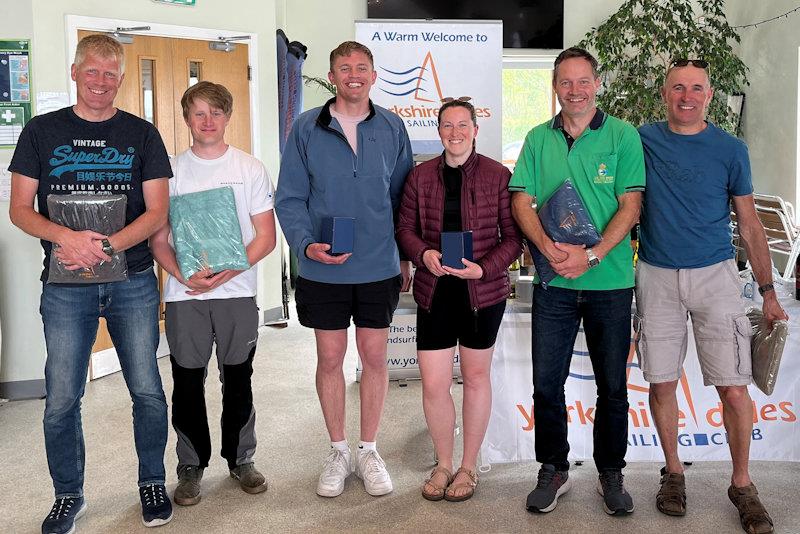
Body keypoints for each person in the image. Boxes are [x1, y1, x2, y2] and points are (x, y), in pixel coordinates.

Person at [8, 34, 173, 532]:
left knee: (146, 388)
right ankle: (67, 495)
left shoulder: (142, 135)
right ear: (75, 72)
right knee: (61, 396)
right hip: (64, 286)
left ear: (120, 80)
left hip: (134, 280)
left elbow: (158, 211)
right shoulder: (40, 131)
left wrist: (104, 246)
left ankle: (151, 481)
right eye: (92, 71)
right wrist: (66, 238)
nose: (101, 82)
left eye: (110, 74)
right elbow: (19, 209)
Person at [637, 59, 788, 534]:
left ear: (709, 93)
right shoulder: (640, 140)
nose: (686, 96)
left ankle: (742, 484)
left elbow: (749, 224)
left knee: (734, 387)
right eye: (677, 88)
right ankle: (673, 473)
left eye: (696, 88)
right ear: (664, 94)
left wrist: (767, 291)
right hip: (656, 274)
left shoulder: (730, 149)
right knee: (661, 382)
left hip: (716, 276)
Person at [509, 46, 645, 516]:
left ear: (597, 83)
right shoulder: (536, 138)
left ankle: (611, 472)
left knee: (613, 387)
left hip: (609, 282)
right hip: (553, 284)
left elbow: (630, 206)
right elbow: (521, 200)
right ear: (554, 86)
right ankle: (554, 467)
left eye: (583, 81)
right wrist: (548, 250)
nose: (575, 90)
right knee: (547, 384)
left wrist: (590, 255)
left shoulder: (623, 136)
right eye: (566, 82)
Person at [275, 41, 413, 498]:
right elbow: (290, 197)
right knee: (330, 360)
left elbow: (402, 199)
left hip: (377, 266)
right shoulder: (306, 128)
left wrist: (406, 254)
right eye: (343, 68)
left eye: (361, 68)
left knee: (375, 360)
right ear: (332, 76)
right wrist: (304, 245)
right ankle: (338, 451)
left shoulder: (393, 127)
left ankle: (369, 450)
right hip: (322, 268)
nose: (353, 75)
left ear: (373, 75)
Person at [149, 81, 276, 506]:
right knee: (186, 380)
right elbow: (159, 239)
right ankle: (190, 465)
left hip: (236, 291)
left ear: (227, 117)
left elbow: (265, 238)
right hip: (186, 294)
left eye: (215, 113)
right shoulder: (168, 170)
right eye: (198, 113)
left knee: (238, 377)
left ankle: (241, 457)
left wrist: (227, 272)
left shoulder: (249, 168)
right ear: (186, 118)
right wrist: (183, 276)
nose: (207, 121)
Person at [396, 98, 522, 502]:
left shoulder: (498, 175)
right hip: (435, 291)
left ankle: (468, 466)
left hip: (480, 293)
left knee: (475, 378)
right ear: (439, 131)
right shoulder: (419, 177)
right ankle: (444, 463)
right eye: (447, 126)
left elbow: (514, 239)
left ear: (475, 129)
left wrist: (483, 270)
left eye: (462, 125)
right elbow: (405, 229)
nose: (455, 133)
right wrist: (422, 255)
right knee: (433, 383)